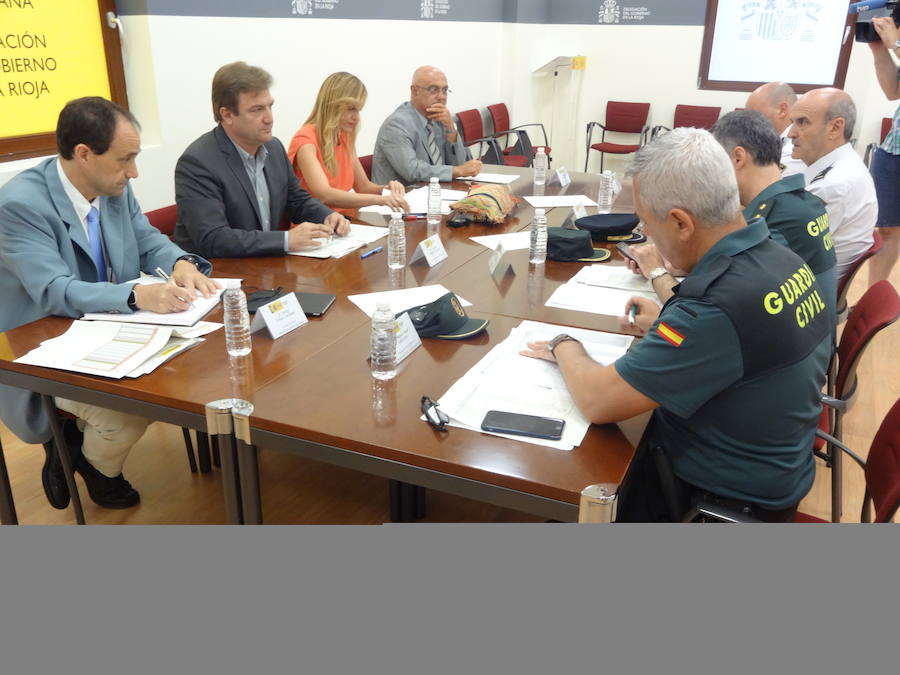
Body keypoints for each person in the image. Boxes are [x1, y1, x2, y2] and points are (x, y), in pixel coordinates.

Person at [521, 129, 832, 522]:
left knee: (564, 493)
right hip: (775, 472)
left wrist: (564, 343)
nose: (647, 237)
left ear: (682, 223)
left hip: (713, 499)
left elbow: (599, 400)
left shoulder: (715, 308)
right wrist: (666, 323)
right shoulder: (778, 256)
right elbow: (742, 344)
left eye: (648, 225)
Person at [0, 97, 218, 510]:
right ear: (83, 154)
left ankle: (78, 444)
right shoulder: (19, 206)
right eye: (125, 159)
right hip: (41, 346)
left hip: (102, 327)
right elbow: (54, 291)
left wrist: (180, 262)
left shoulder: (112, 186)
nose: (134, 172)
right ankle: (89, 460)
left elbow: (147, 239)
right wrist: (137, 295)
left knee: (176, 380)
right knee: (130, 410)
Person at [174, 62, 349, 258]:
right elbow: (213, 239)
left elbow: (296, 200)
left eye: (270, 106)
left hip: (265, 266)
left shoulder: (274, 148)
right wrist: (285, 240)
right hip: (217, 275)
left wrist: (327, 215)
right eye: (257, 110)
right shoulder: (198, 162)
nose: (269, 118)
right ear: (227, 115)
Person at [287, 72, 410, 213]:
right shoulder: (305, 142)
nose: (356, 117)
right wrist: (381, 200)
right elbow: (325, 195)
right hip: (316, 226)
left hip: (345, 222)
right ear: (332, 105)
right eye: (351, 108)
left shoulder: (345, 136)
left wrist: (386, 190)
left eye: (359, 110)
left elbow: (363, 187)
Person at [788, 88, 877, 281]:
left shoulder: (833, 184)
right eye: (791, 123)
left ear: (835, 128)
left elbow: (783, 252)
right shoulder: (844, 165)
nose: (791, 133)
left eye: (802, 122)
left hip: (808, 293)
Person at [372, 65, 482, 184]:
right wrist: (457, 171)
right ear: (415, 91)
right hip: (402, 196)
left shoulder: (439, 119)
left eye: (445, 90)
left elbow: (461, 165)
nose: (441, 97)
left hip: (435, 191)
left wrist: (451, 129)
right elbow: (412, 171)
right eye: (434, 89)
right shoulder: (396, 125)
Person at [867, 15, 900, 286]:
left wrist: (897, 43)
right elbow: (893, 91)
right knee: (888, 230)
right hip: (893, 150)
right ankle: (873, 295)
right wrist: (880, 50)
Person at [745, 81, 806, 176]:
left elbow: (764, 181)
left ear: (782, 110)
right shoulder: (770, 140)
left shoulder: (794, 147)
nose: (748, 122)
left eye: (754, 114)